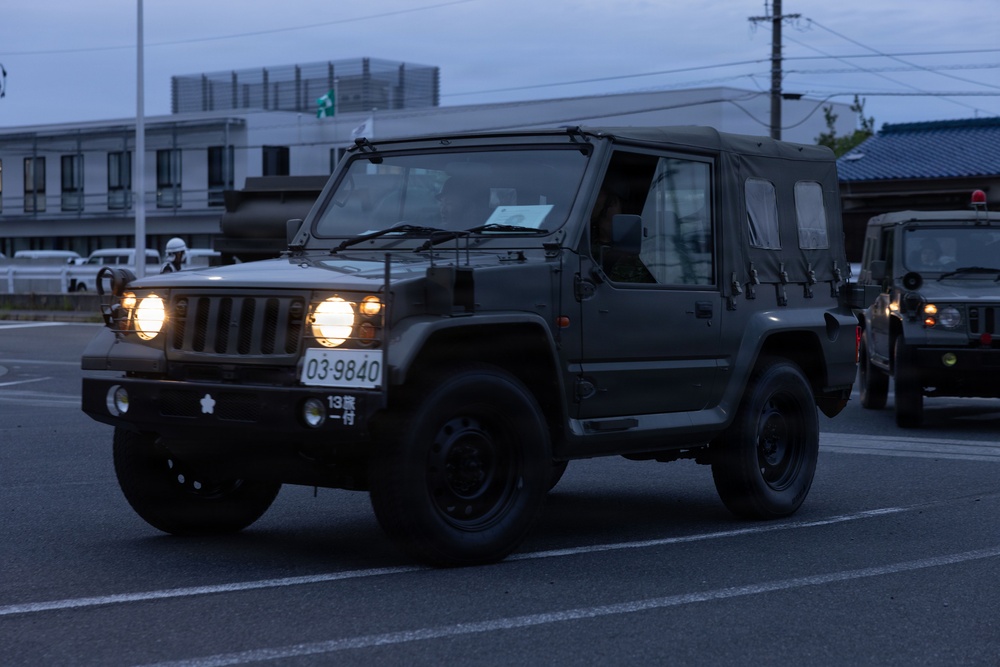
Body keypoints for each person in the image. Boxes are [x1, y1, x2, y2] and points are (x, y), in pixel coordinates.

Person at [590, 181, 654, 283]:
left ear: (612, 202)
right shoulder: (581, 241)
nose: (589, 199)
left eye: (596, 194)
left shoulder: (642, 249)